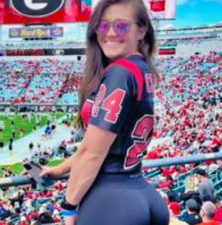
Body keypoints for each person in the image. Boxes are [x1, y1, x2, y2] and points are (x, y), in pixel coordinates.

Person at [39, 0, 168, 224]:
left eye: (121, 26)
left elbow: (93, 153)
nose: (109, 33)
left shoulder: (120, 72)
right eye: (102, 26)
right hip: (139, 189)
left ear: (141, 30)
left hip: (111, 201)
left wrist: (69, 207)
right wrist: (59, 169)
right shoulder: (140, 67)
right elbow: (103, 144)